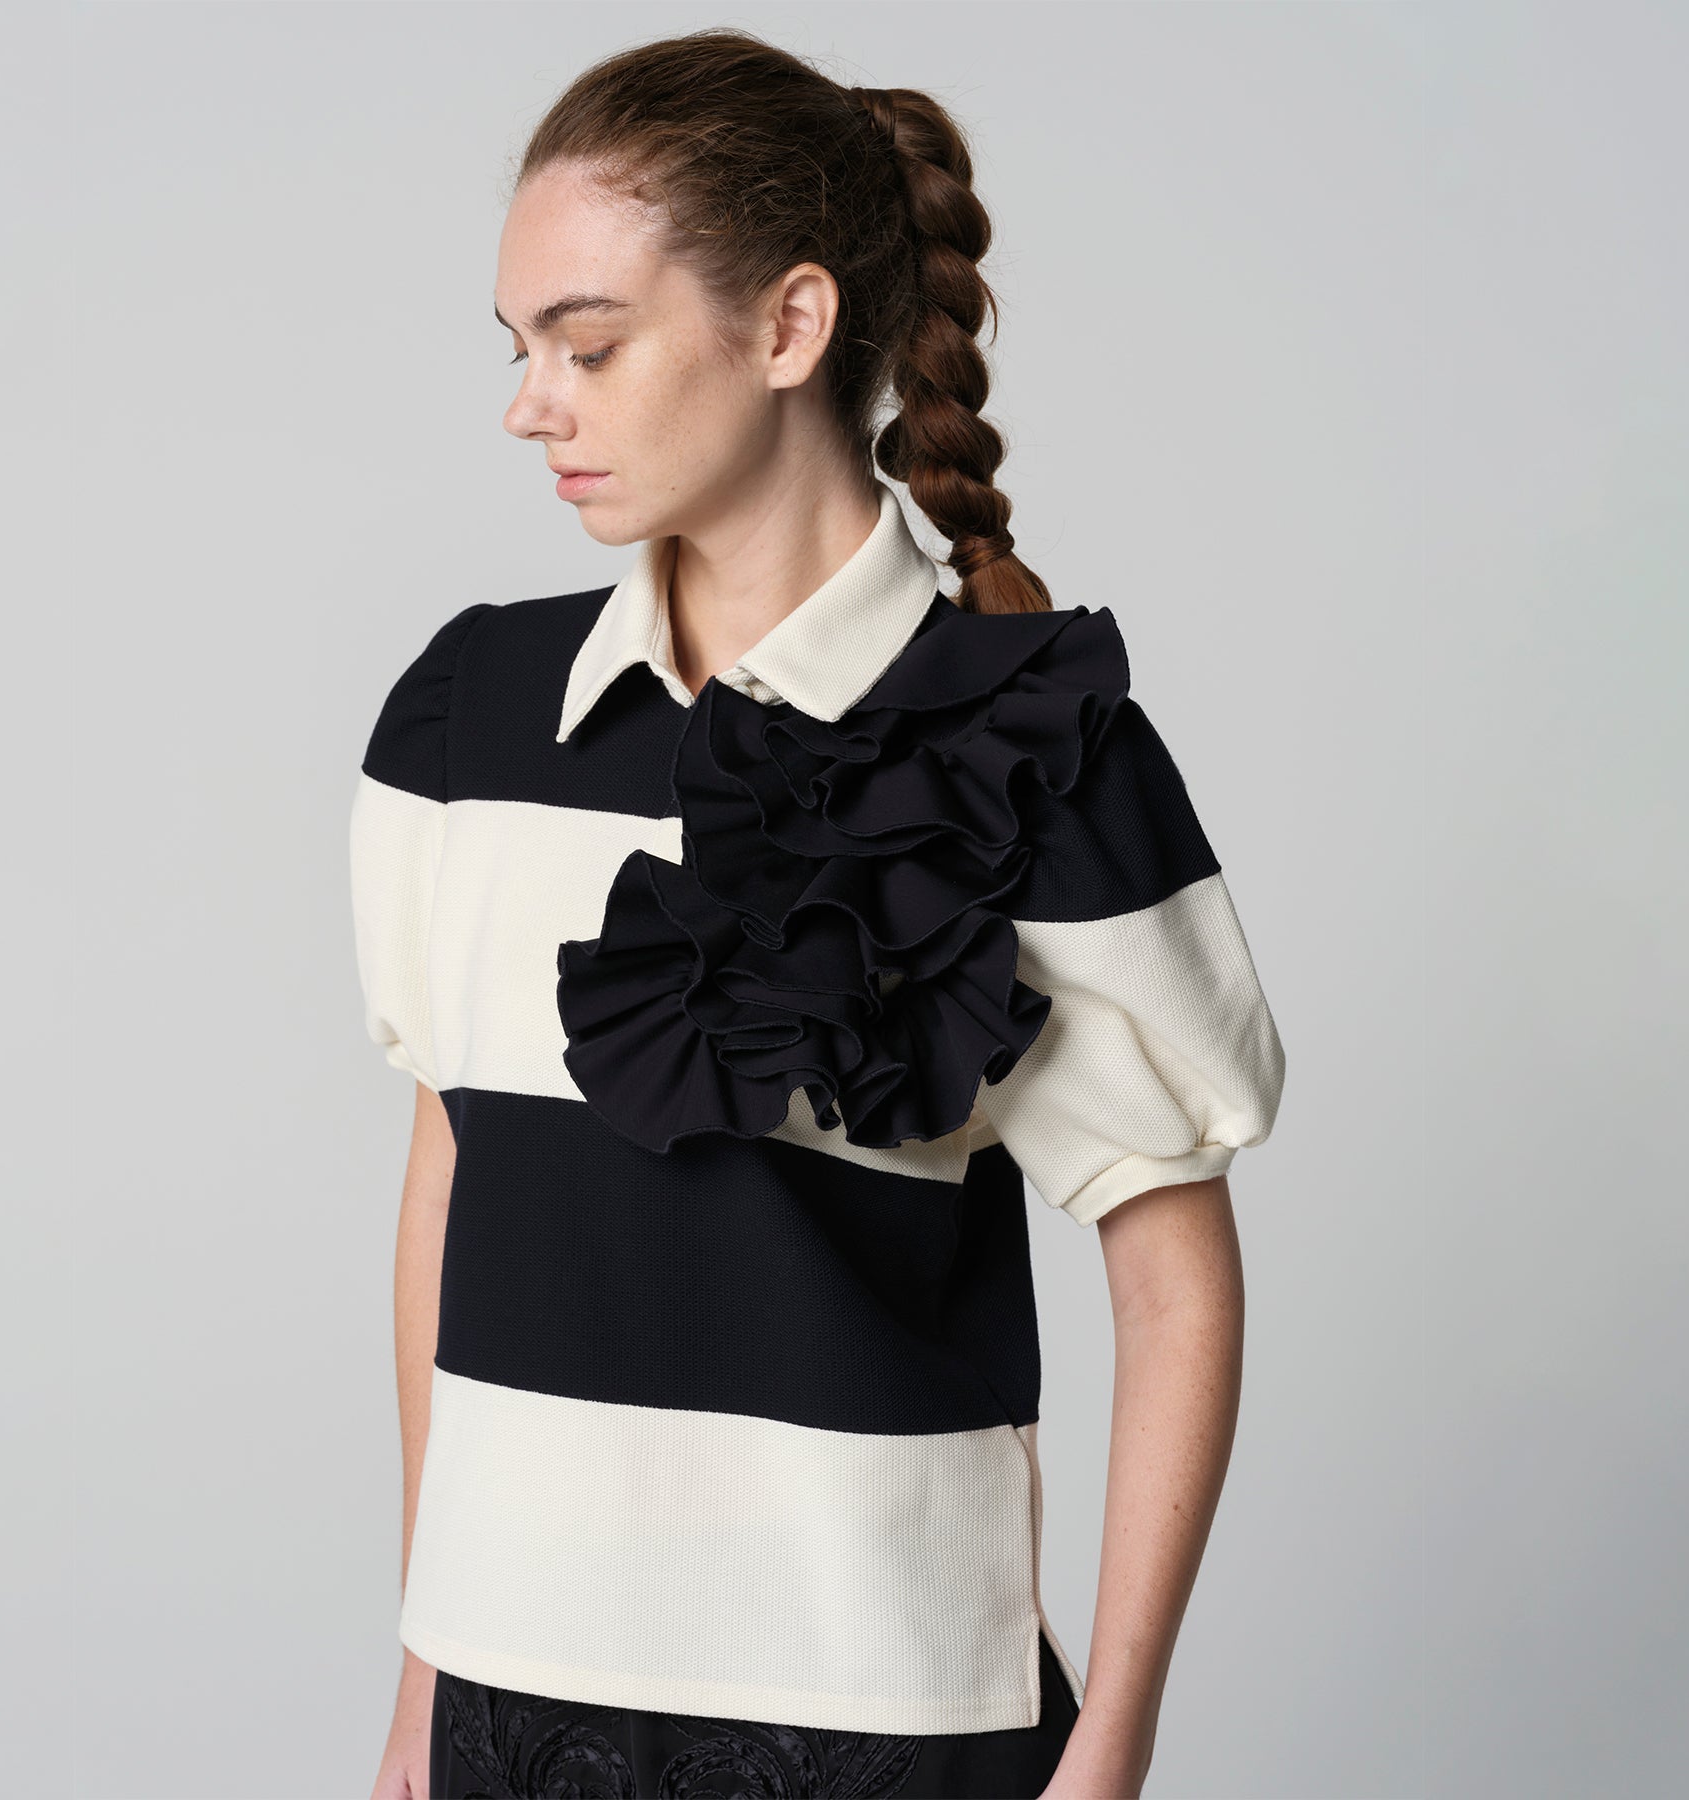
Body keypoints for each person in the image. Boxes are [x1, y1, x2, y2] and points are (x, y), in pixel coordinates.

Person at [353, 28, 1284, 1800]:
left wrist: (1112, 1744)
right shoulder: (467, 725)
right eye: (518, 348)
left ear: (789, 327)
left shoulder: (1030, 751)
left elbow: (1175, 1277)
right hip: (509, 1706)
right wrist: (423, 1665)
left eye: (587, 344)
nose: (530, 404)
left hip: (886, 1718)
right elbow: (448, 1181)